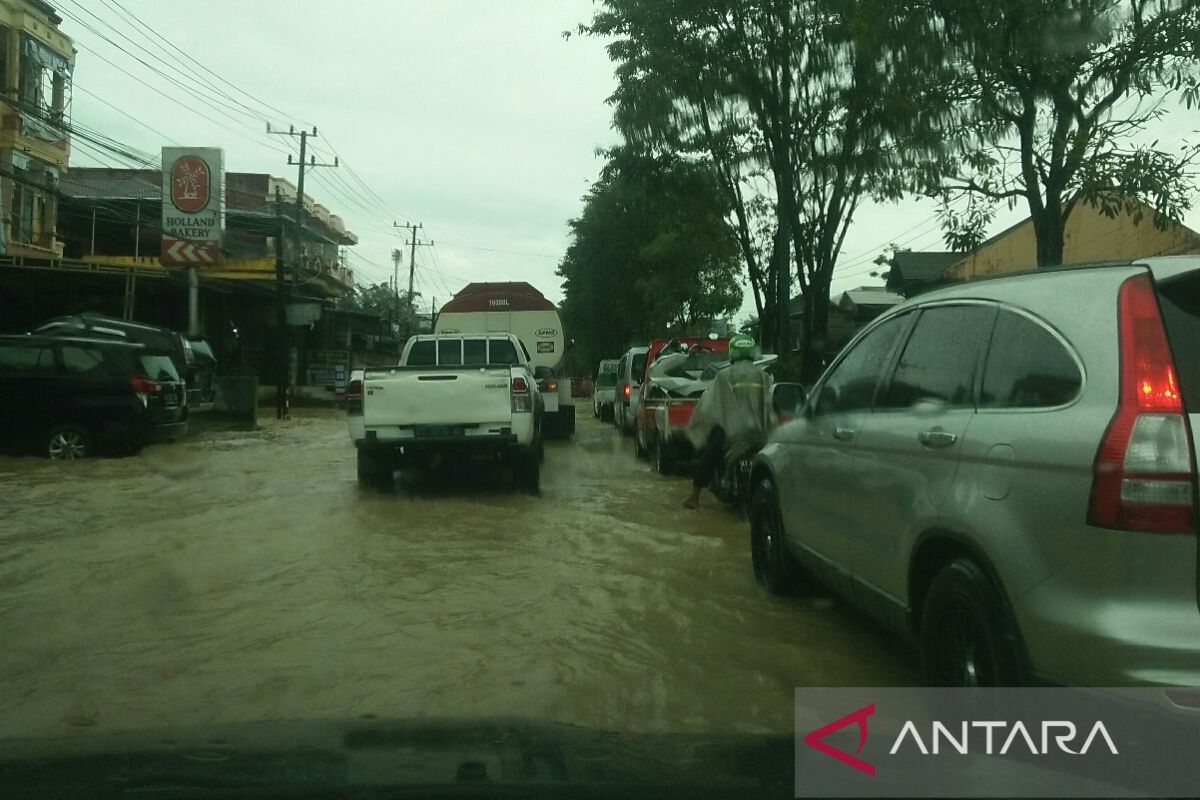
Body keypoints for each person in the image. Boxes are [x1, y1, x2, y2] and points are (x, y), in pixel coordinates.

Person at [683, 334, 772, 509]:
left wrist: (700, 424)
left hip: (732, 431)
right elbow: (768, 405)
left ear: (733, 352)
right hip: (760, 431)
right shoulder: (764, 375)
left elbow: (712, 404)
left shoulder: (724, 375)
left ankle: (694, 497)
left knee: (709, 452)